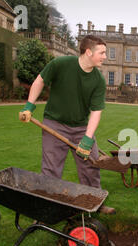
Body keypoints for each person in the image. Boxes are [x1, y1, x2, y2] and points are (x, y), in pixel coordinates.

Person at [18, 35, 115, 215]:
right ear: (88, 52)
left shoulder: (98, 80)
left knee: (91, 166)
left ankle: (95, 204)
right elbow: (40, 81)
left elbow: (96, 111)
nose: (104, 56)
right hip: (54, 124)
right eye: (101, 53)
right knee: (51, 170)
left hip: (80, 128)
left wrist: (87, 138)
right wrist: (29, 106)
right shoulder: (61, 64)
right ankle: (46, 210)